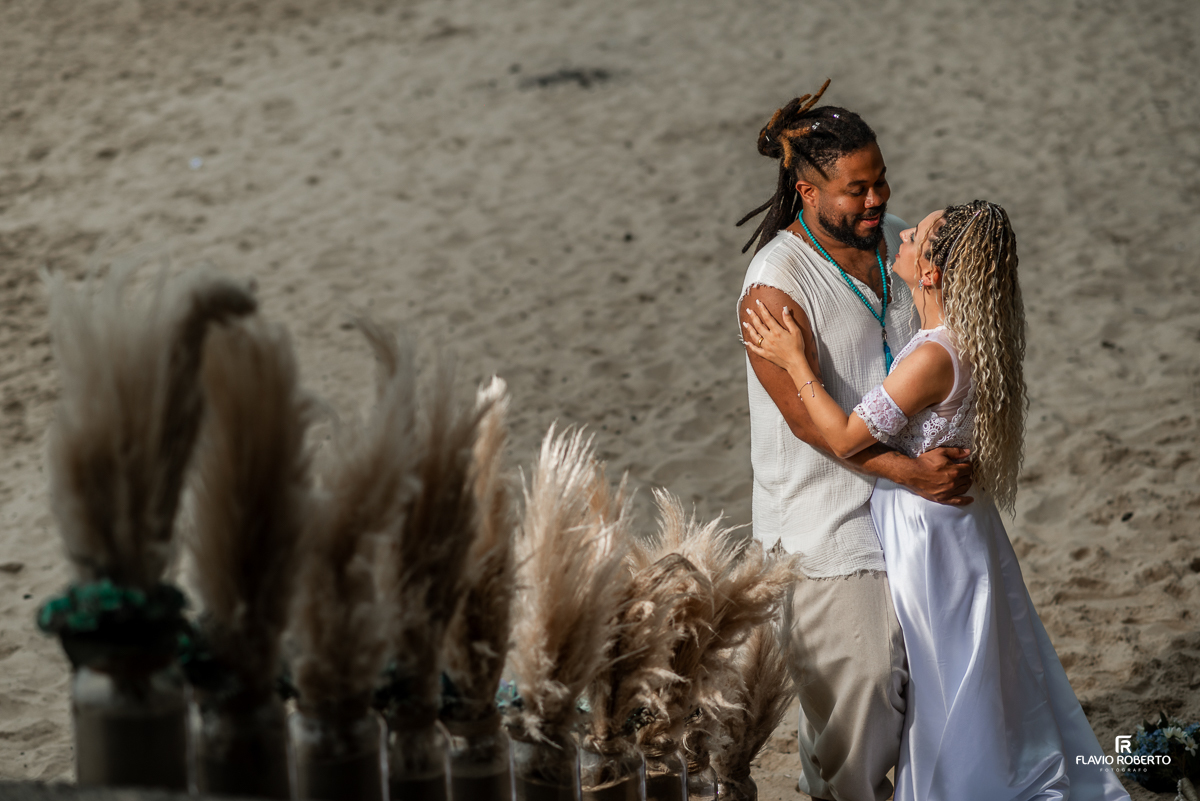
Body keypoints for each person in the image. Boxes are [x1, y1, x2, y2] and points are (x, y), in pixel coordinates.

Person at [742, 199, 1130, 801]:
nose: (899, 233)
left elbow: (844, 435)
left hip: (930, 532)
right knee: (975, 660)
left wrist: (798, 363)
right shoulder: (968, 339)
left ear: (930, 273)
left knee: (945, 669)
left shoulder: (930, 357)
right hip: (962, 525)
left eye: (914, 236)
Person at [736, 81, 972, 801]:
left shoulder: (895, 242)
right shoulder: (773, 289)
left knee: (923, 699)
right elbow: (814, 427)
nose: (875, 201)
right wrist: (919, 473)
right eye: (855, 189)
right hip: (826, 524)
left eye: (881, 182)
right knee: (865, 691)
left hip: (910, 514)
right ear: (807, 192)